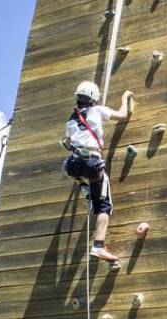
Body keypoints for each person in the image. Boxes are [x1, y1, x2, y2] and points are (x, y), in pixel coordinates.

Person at [63, 81, 134, 269]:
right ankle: (99, 246)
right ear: (93, 98)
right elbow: (123, 115)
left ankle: (86, 190)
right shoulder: (97, 110)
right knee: (104, 205)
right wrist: (125, 96)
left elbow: (69, 142)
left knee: (76, 173)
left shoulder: (71, 119)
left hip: (72, 164)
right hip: (92, 162)